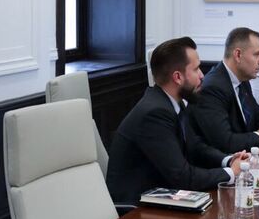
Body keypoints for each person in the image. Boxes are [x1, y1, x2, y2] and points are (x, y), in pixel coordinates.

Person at [106, 37, 249, 205]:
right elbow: (183, 177)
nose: (202, 75)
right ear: (178, 77)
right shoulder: (154, 113)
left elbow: (195, 147)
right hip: (136, 210)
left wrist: (228, 160)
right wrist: (231, 173)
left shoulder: (174, 102)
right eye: (196, 69)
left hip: (163, 197)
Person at [190, 27, 259, 153]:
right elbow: (225, 142)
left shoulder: (243, 79)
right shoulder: (213, 88)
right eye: (257, 55)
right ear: (238, 55)